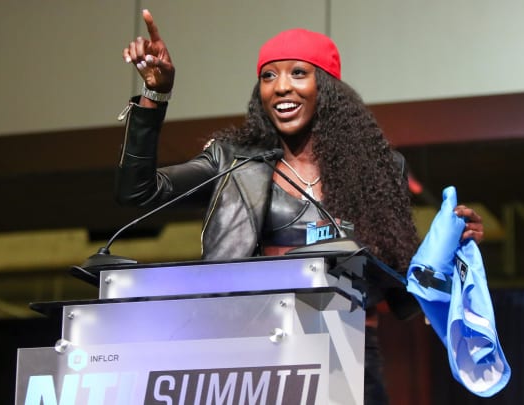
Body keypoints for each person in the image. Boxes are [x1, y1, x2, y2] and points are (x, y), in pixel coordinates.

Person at [116, 9, 484, 405]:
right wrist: (155, 96)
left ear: (326, 87)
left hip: (348, 356)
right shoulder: (235, 162)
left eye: (297, 73)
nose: (281, 87)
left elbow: (404, 300)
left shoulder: (377, 168)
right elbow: (140, 192)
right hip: (251, 355)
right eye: (268, 76)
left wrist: (446, 251)